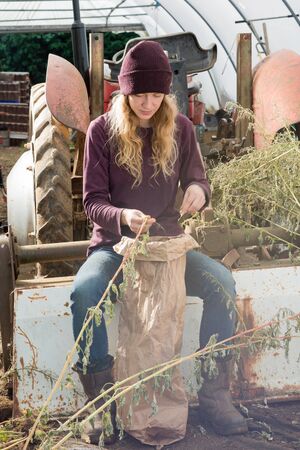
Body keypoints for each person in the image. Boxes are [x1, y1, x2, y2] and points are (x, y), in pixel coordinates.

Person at [70, 40, 248, 445]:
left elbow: (199, 180)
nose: (147, 103)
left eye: (155, 94)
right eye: (139, 95)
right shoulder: (102, 132)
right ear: (124, 91)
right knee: (84, 293)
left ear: (166, 93)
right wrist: (123, 217)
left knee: (223, 284)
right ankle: (100, 405)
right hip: (114, 247)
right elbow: (91, 202)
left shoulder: (181, 128)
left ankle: (215, 395)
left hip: (167, 247)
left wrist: (199, 193)